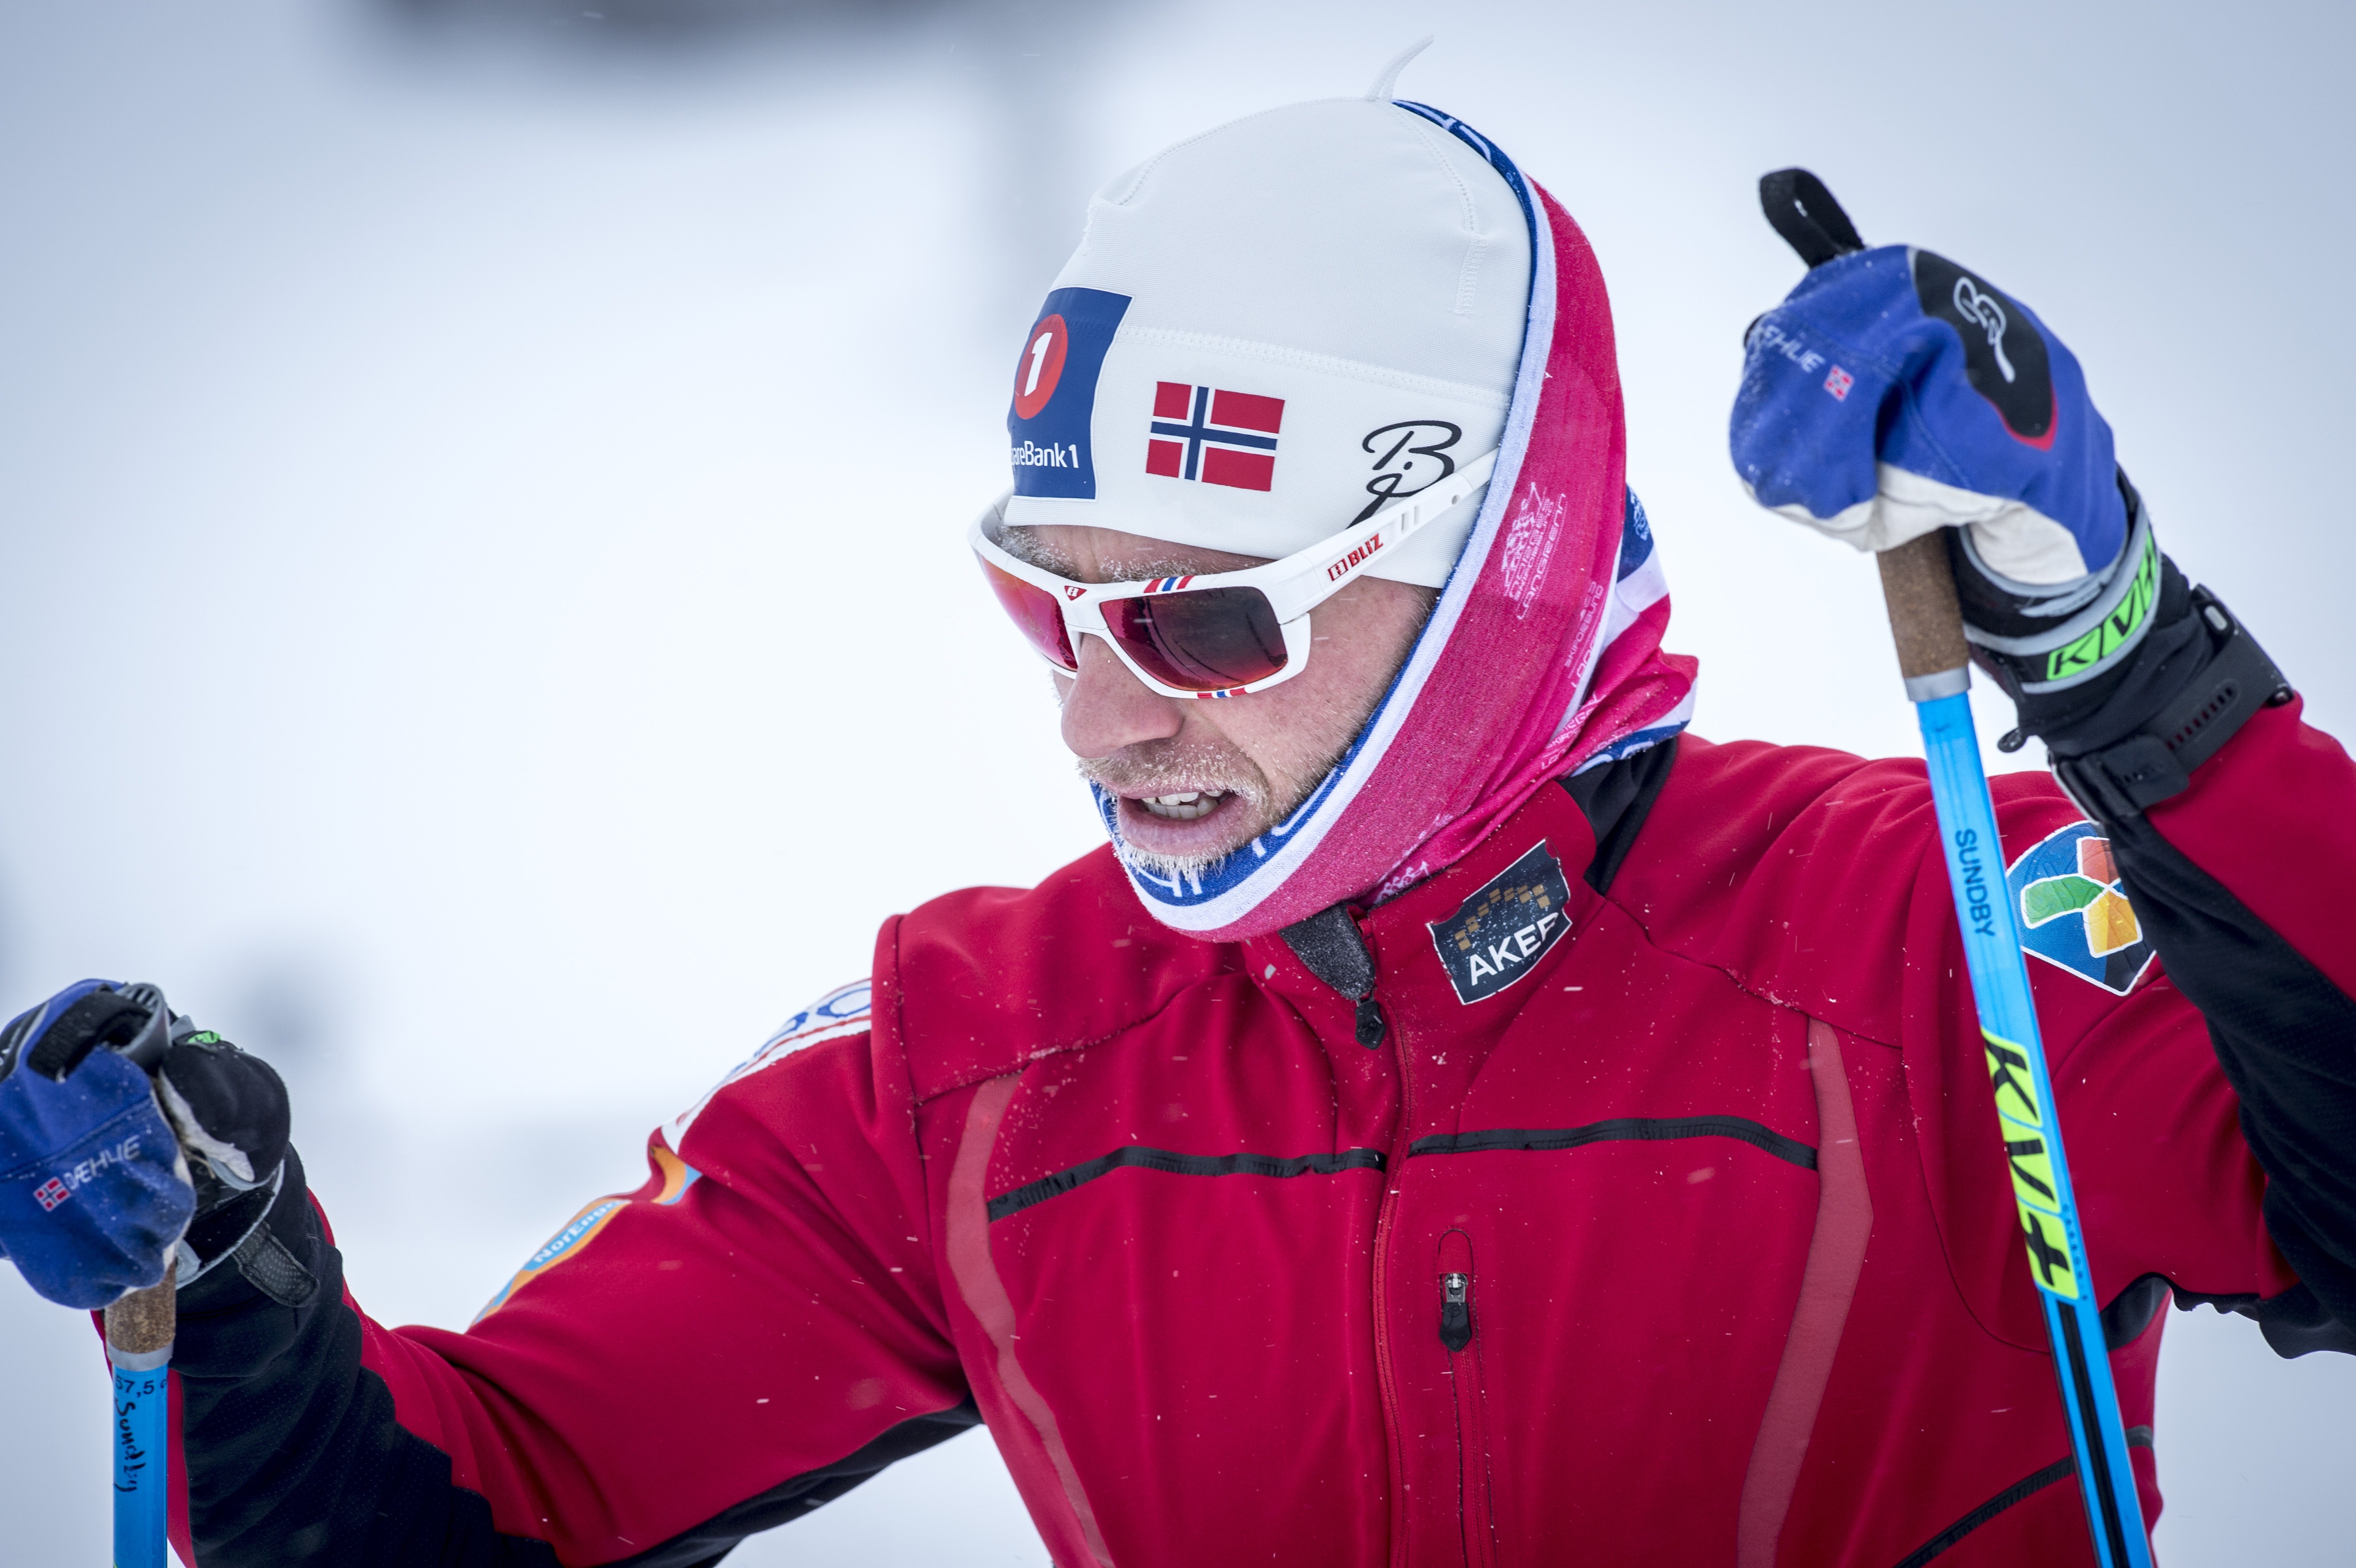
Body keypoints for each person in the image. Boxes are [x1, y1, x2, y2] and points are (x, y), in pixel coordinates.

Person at [4, 63, 2353, 1568]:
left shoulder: (1919, 933)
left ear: (1492, 553)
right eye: (1051, 607)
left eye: (1205, 624)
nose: (1098, 723)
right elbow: (473, 1515)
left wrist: (2111, 638)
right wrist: (229, 1288)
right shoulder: (974, 1062)